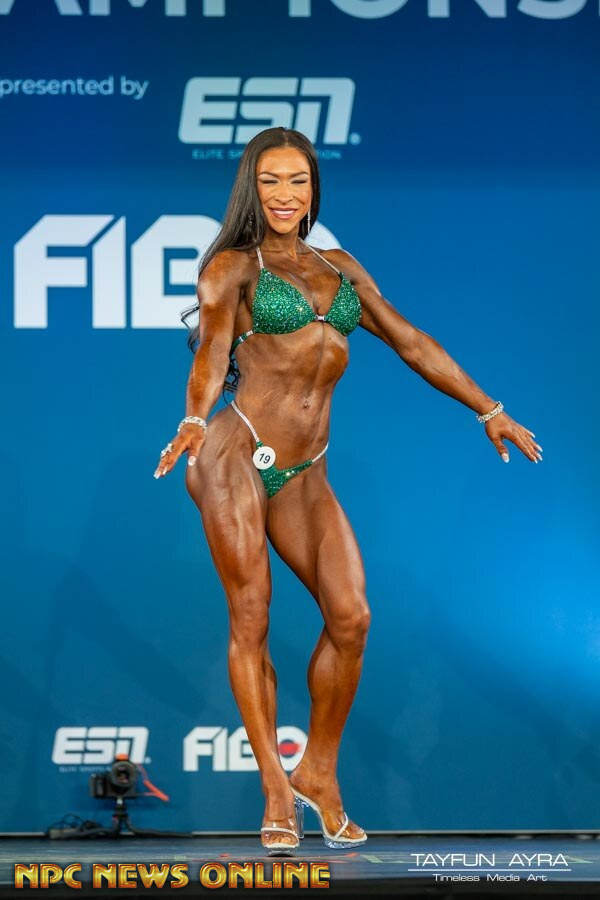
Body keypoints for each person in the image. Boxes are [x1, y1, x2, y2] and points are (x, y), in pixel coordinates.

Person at [153, 126, 543, 855]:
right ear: (251, 188)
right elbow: (211, 350)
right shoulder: (232, 268)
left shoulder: (340, 269)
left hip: (306, 468)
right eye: (270, 181)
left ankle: (319, 773)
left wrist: (488, 409)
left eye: (297, 180)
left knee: (352, 618)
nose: (284, 194)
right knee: (252, 617)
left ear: (314, 189)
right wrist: (194, 420)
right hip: (233, 455)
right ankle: (276, 790)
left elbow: (412, 341)